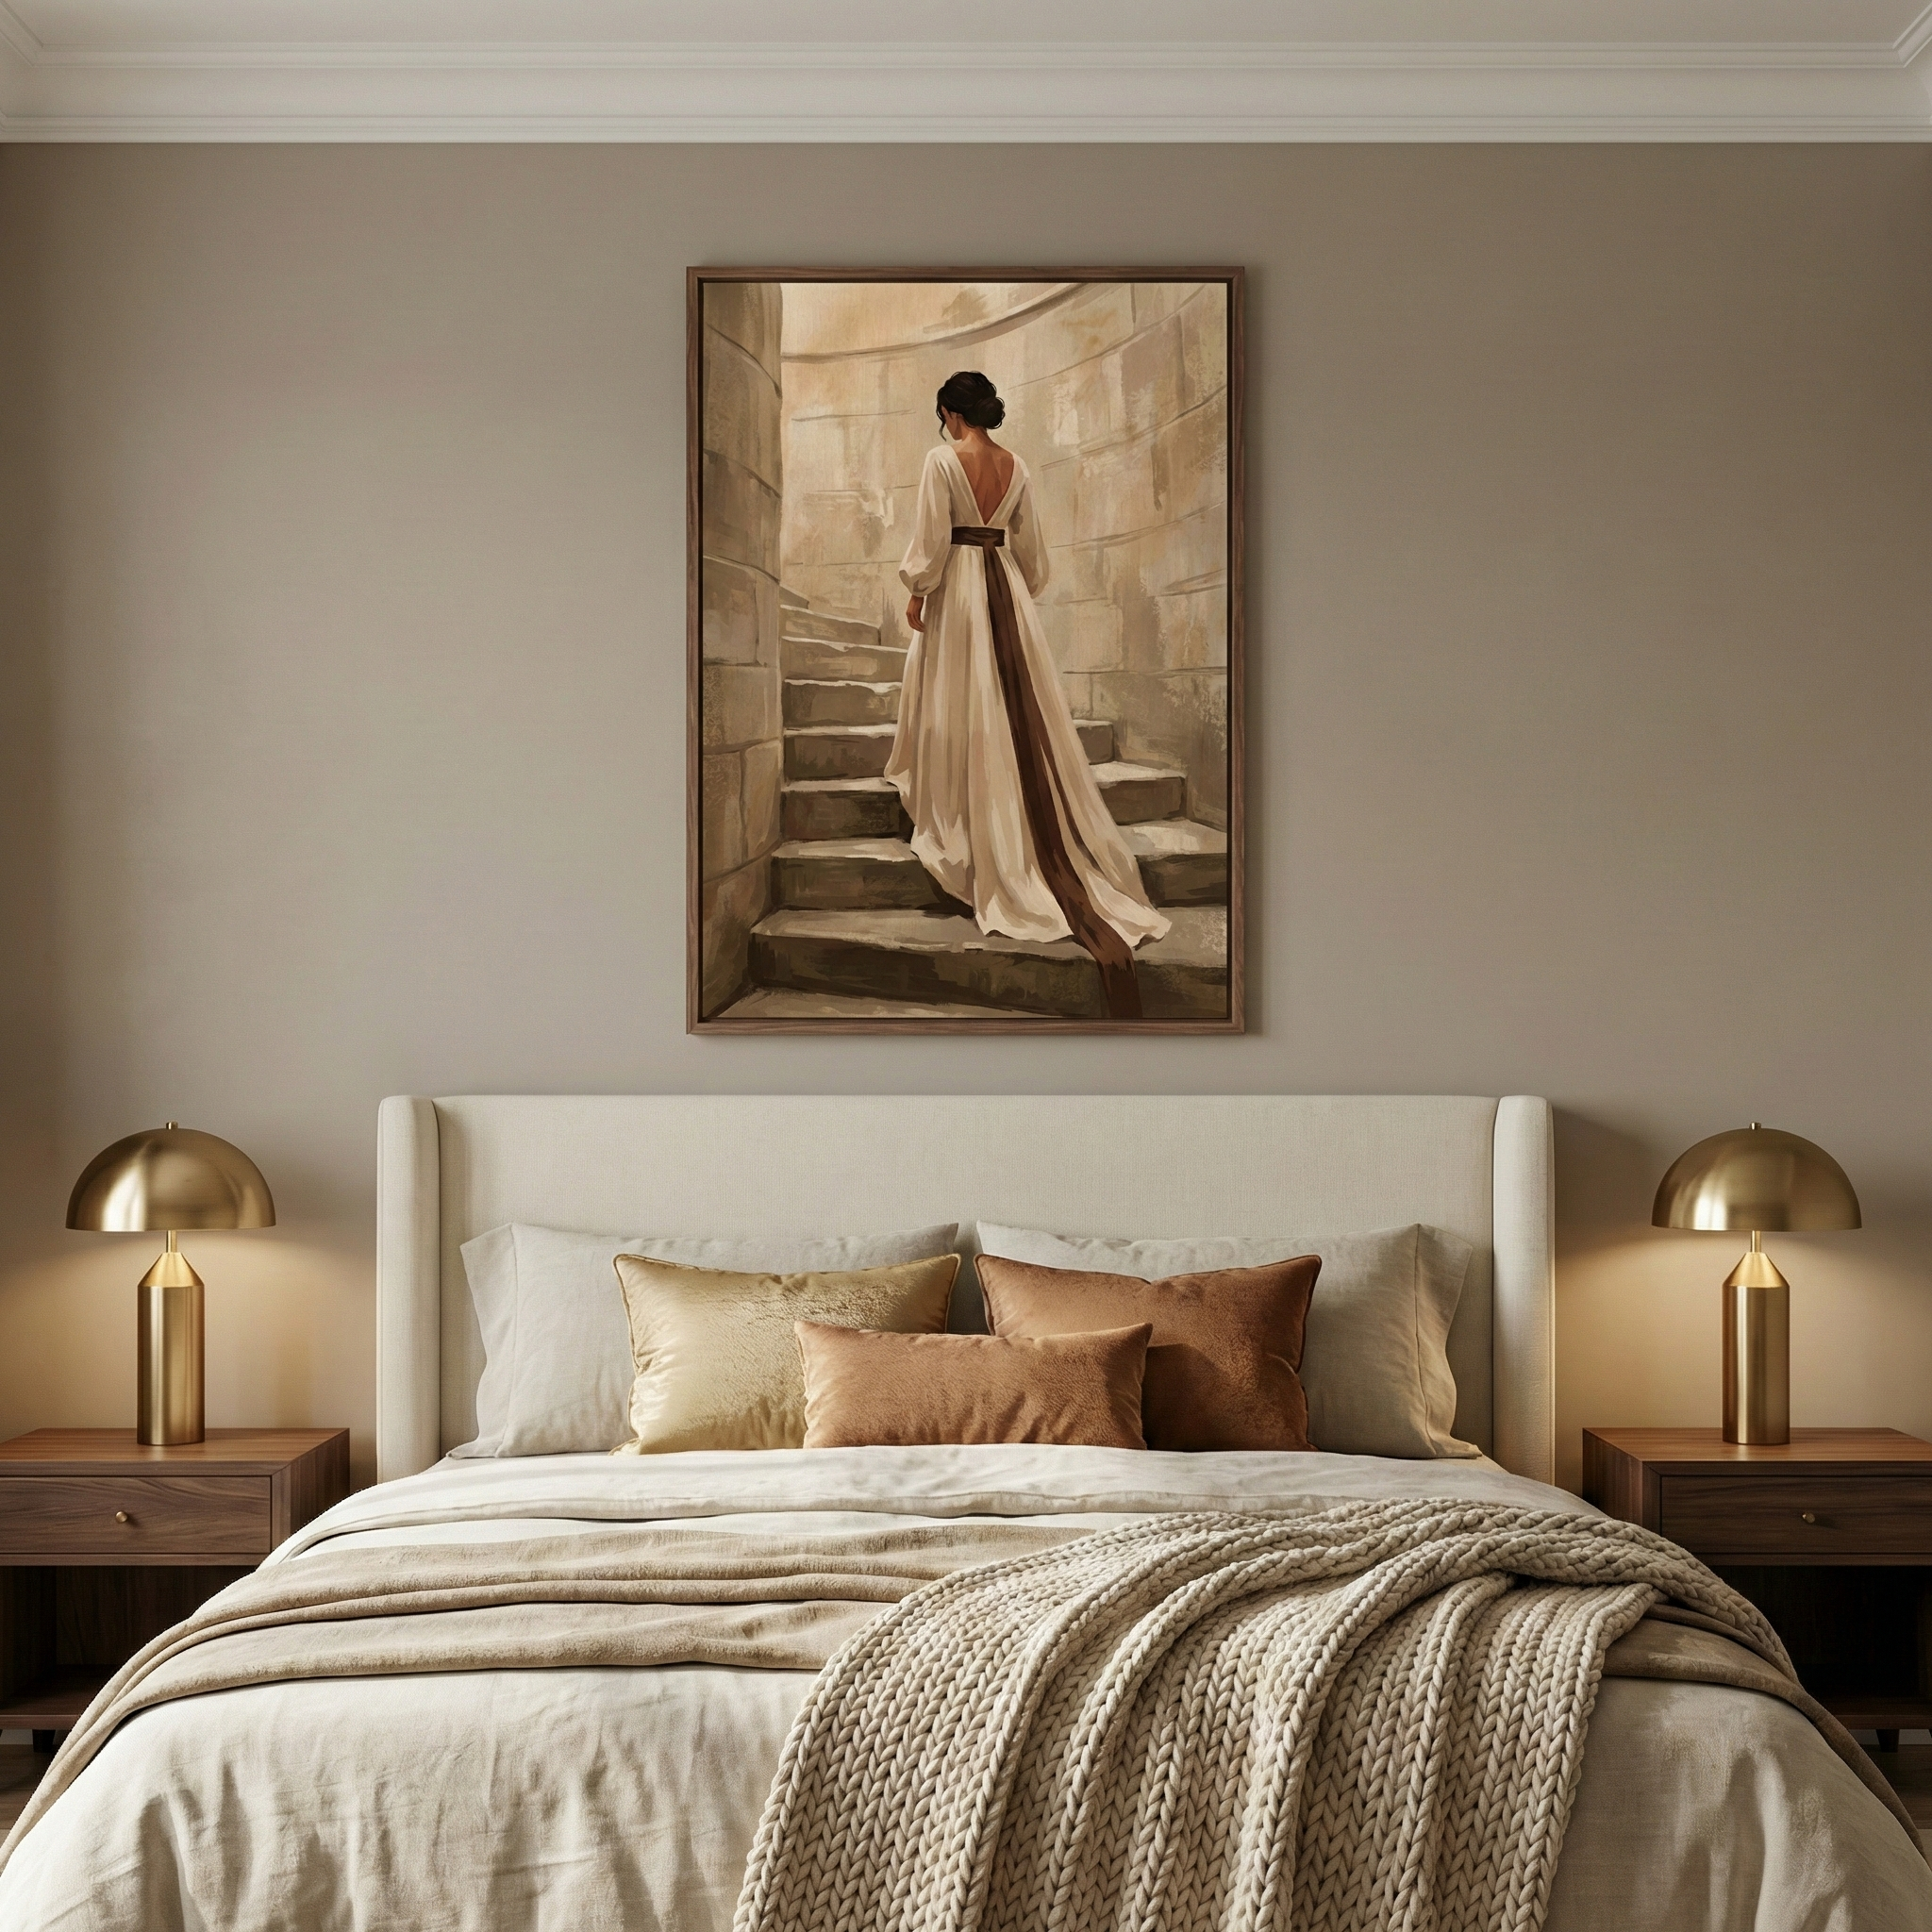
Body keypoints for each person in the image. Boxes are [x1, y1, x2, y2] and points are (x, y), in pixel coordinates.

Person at [885, 371, 1168, 1021]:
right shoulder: (1018, 469)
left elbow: (929, 544)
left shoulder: (940, 460)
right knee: (1010, 711)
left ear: (952, 413)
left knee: (961, 706)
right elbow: (1034, 560)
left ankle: (964, 814)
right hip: (1003, 586)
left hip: (957, 589)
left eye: (944, 415)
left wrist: (917, 588)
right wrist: (1010, 585)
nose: (945, 426)